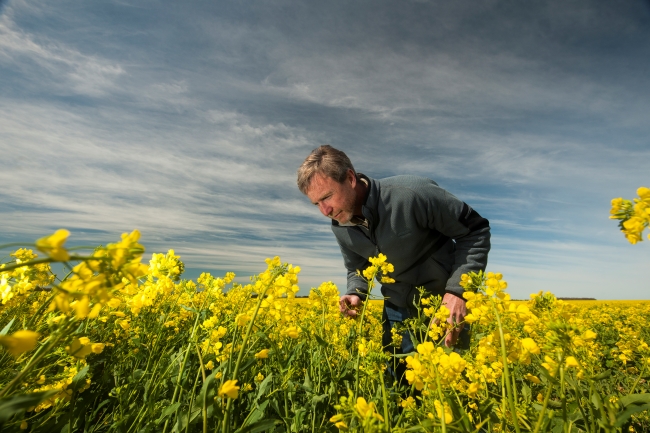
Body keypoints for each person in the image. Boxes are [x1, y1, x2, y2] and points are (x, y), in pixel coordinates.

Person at [296, 145, 490, 364]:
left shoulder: (412, 194)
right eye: (316, 204)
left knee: (449, 388)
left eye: (327, 197)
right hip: (396, 310)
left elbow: (475, 231)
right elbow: (357, 268)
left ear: (350, 178)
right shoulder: (340, 224)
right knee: (398, 386)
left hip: (443, 307)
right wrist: (355, 292)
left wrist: (458, 292)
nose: (325, 211)